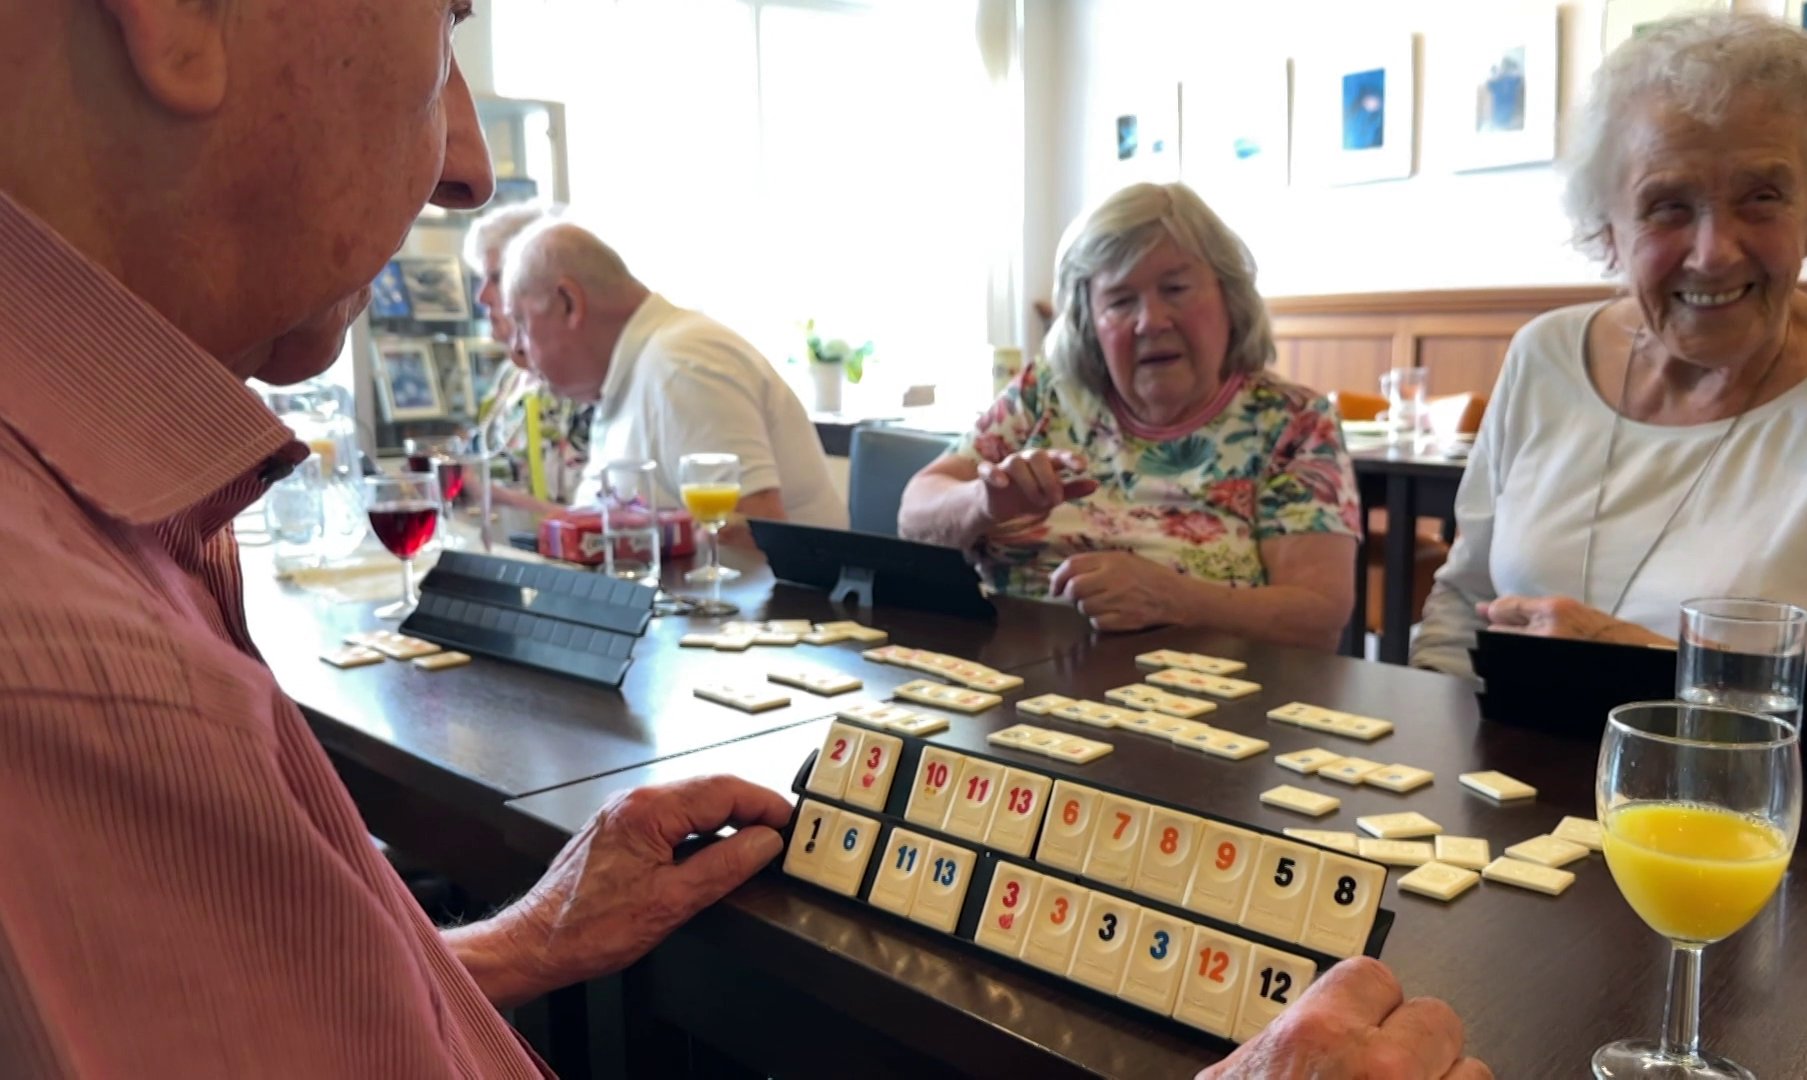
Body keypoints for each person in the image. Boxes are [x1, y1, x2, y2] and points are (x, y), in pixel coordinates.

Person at [0, 3, 1484, 1076]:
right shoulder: (72, 667)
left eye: (1173, 291)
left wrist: (515, 945)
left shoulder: (102, 557)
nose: (466, 159)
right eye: (447, 22)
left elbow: (303, 1031)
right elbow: (920, 511)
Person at [1411, 12, 1807, 678]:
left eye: (1762, 196)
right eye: (1668, 205)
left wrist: (1645, 664)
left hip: (1758, 785)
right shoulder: (1545, 355)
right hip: (1496, 773)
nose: (1713, 255)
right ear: (1609, 228)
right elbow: (1462, 606)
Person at [899, 183, 1360, 649]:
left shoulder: (1293, 423)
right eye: (1120, 301)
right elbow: (915, 512)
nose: (1150, 321)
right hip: (1007, 677)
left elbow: (1317, 618)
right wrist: (985, 502)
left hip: (1197, 698)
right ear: (1089, 321)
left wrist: (1174, 599)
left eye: (1175, 289)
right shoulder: (1047, 392)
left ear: (1229, 297)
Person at [502, 219, 848, 530]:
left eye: (520, 323)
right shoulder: (639, 366)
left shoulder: (679, 365)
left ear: (569, 303)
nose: (517, 353)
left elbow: (752, 536)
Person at [462, 201, 593, 508]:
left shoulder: (583, 383)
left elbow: (596, 524)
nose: (481, 296)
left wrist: (491, 496)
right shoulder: (509, 378)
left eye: (496, 278)